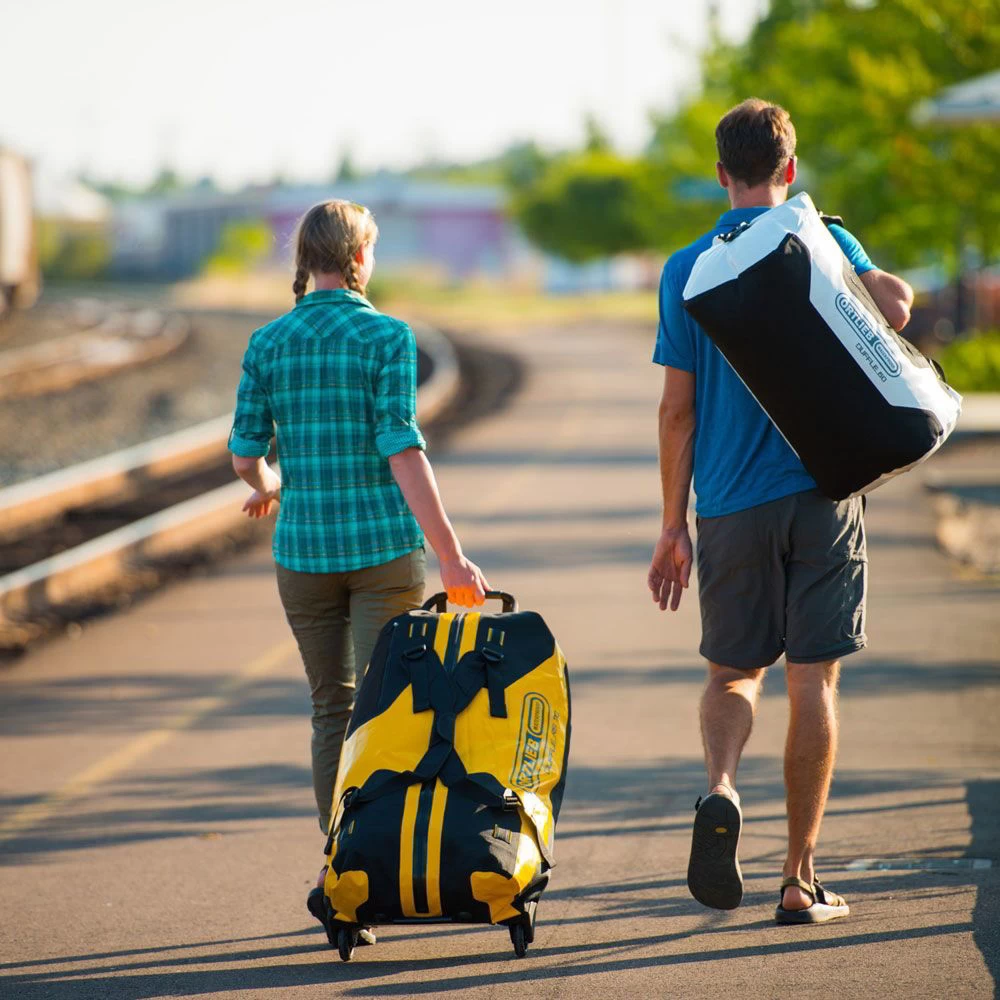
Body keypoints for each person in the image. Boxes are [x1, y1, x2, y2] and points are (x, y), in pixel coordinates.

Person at [647, 99, 914, 924]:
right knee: (813, 682)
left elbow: (676, 412)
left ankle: (722, 787)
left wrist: (672, 526)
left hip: (727, 505)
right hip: (823, 493)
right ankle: (799, 879)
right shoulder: (820, 237)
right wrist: (849, 250)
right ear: (789, 170)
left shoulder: (687, 268)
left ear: (722, 175)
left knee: (734, 674)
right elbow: (897, 309)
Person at [229, 200, 489, 932]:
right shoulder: (386, 336)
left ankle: (339, 868)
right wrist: (451, 556)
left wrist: (270, 487)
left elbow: (246, 453)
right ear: (358, 259)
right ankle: (374, 867)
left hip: (302, 554)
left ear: (303, 261)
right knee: (383, 712)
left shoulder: (268, 341)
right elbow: (400, 448)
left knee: (330, 708)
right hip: (382, 552)